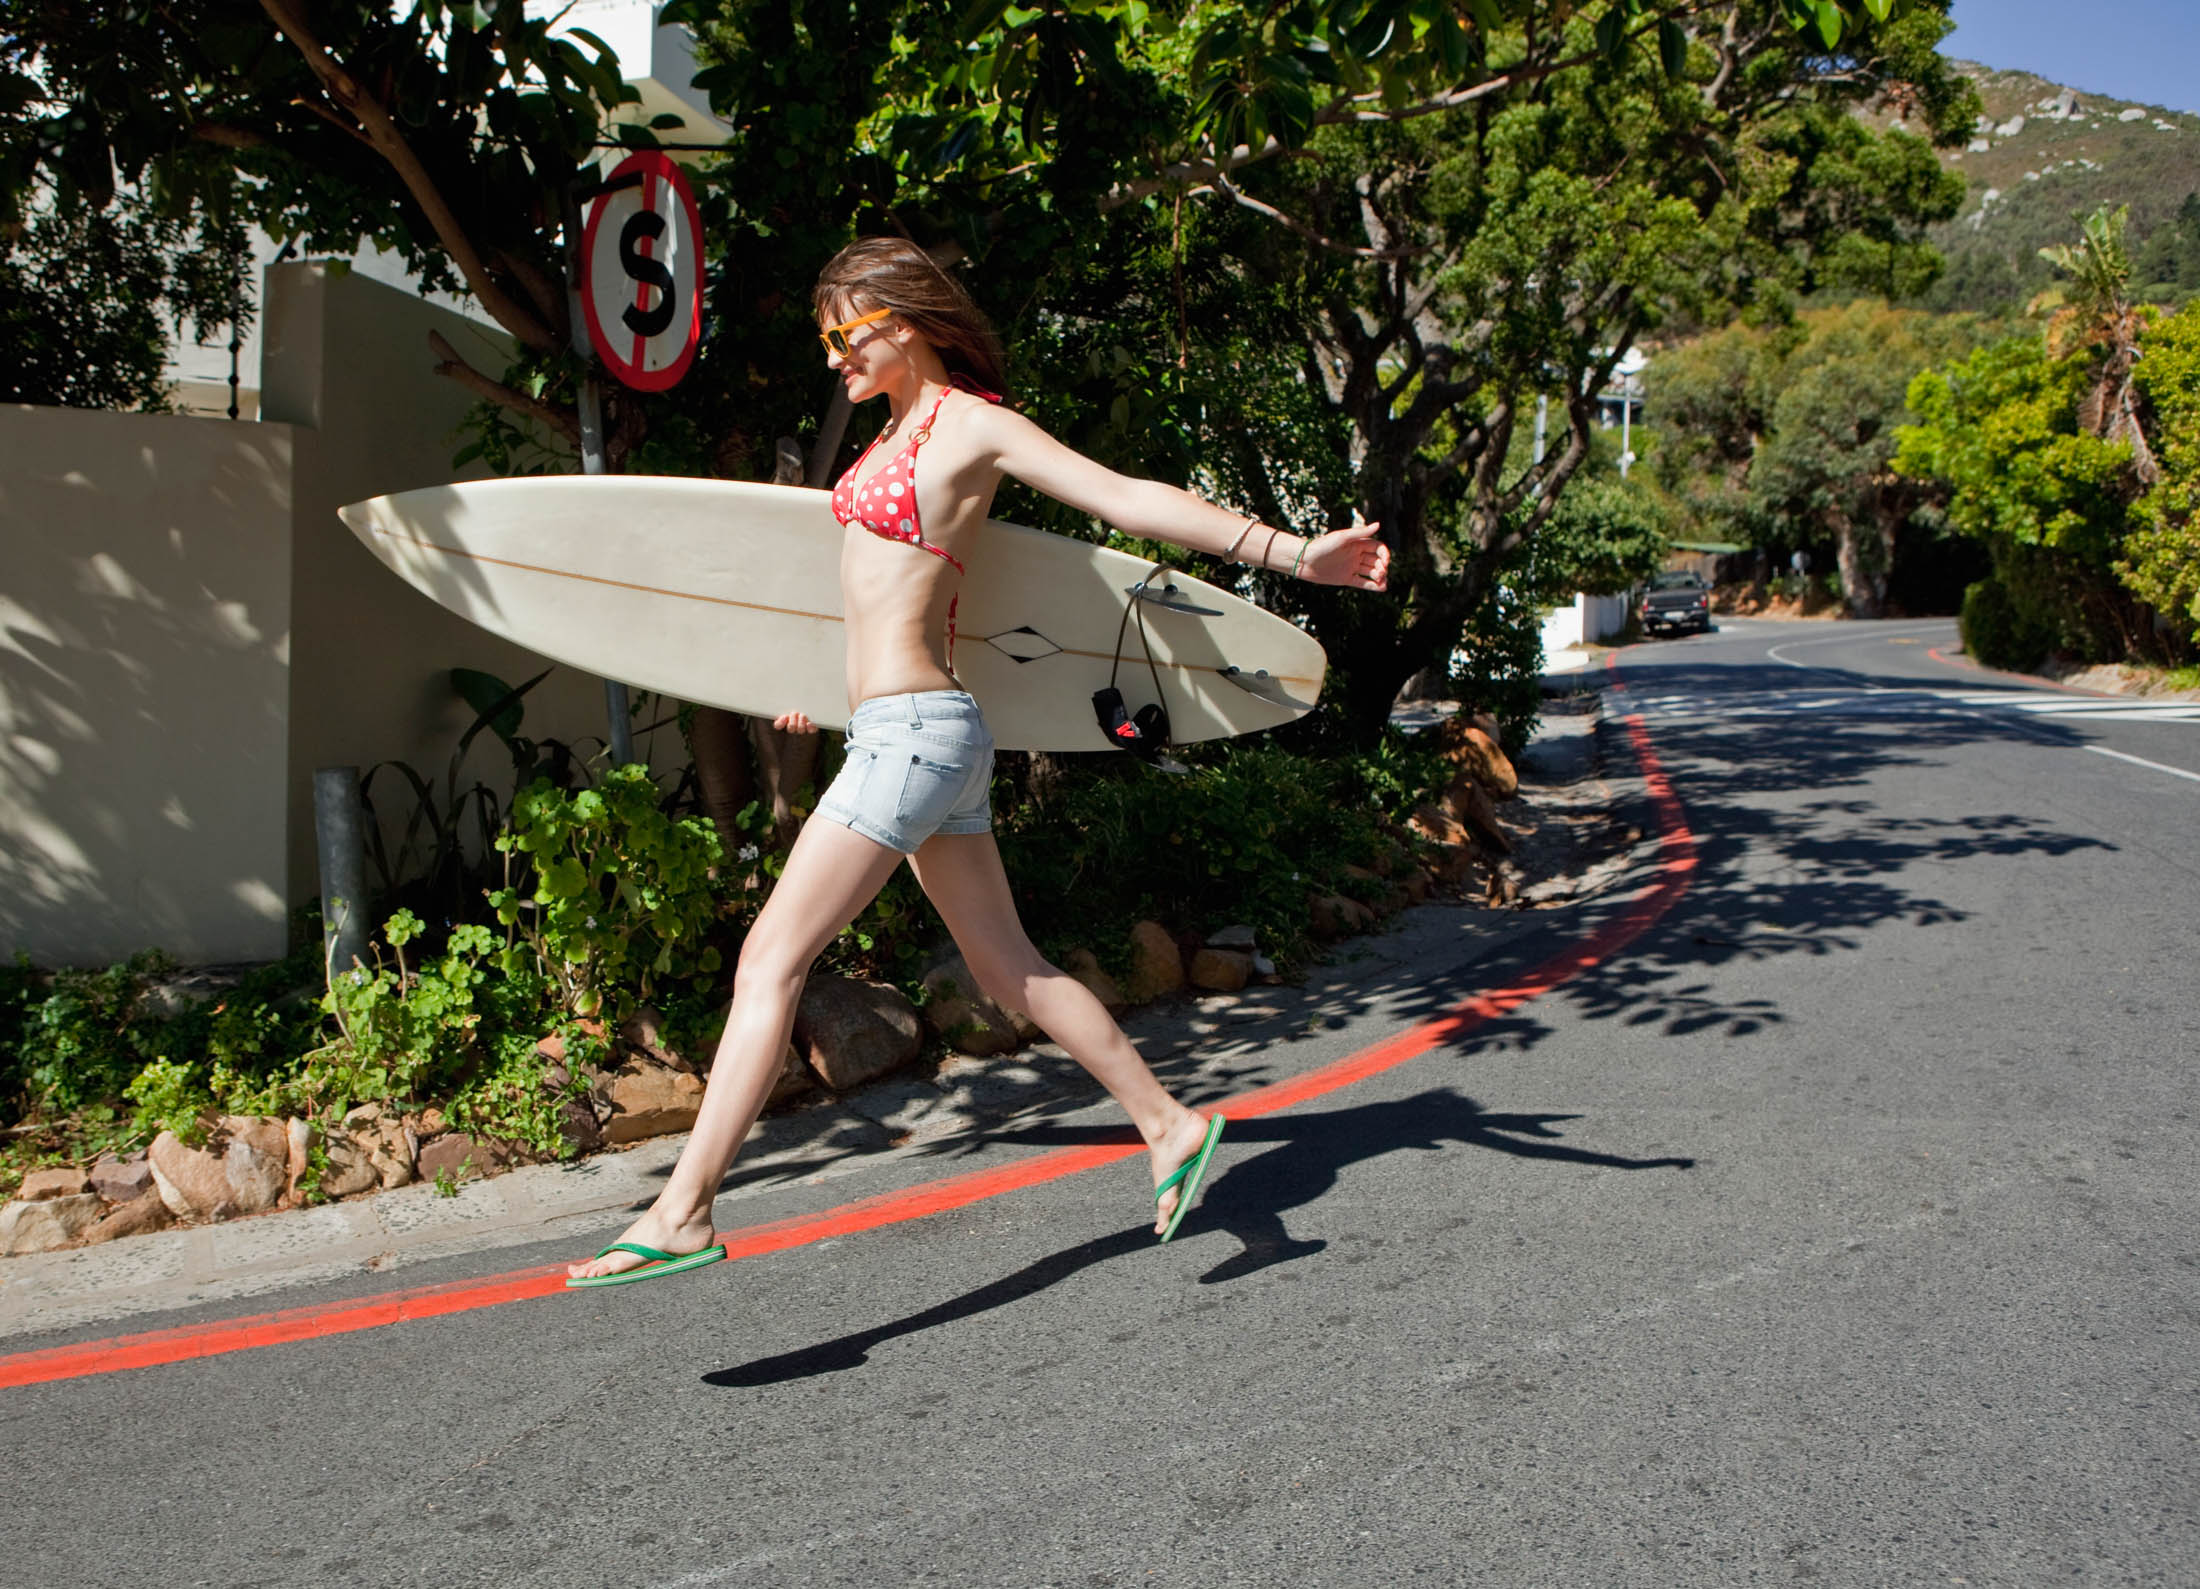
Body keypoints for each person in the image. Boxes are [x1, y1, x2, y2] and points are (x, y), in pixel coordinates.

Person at [568, 236, 1390, 1285]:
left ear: (902, 320)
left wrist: (1289, 554)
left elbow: (1125, 497)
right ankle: (1169, 1122)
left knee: (769, 961)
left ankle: (682, 1208)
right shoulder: (895, 435)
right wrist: (820, 692)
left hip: (916, 732)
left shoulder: (970, 427)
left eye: (843, 335)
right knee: (1009, 969)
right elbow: (868, 600)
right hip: (909, 729)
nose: (834, 358)